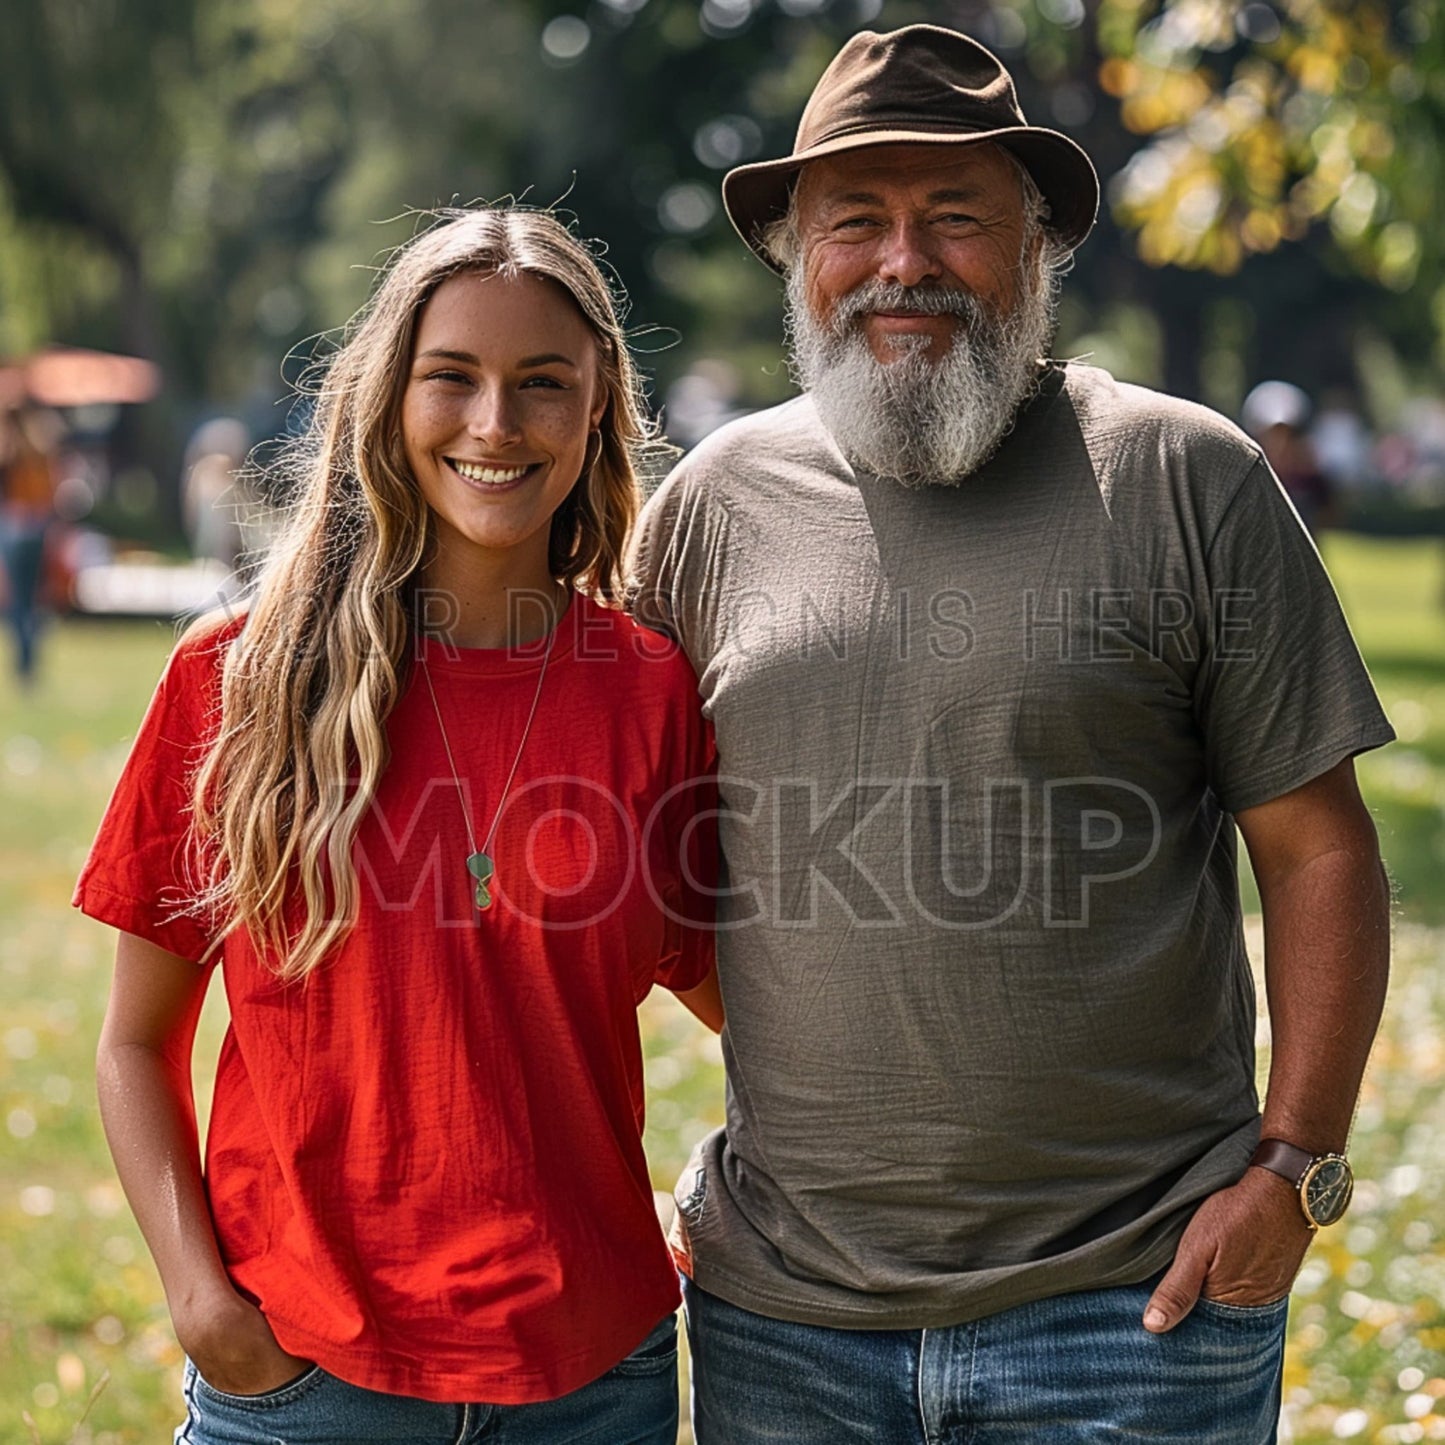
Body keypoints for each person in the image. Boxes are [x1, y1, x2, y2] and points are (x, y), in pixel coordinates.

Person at [629, 25, 1392, 1445]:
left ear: (1033, 246)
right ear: (797, 254)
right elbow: (639, 860)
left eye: (955, 218)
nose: (902, 262)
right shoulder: (710, 509)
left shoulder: (1185, 478)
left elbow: (1321, 852)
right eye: (856, 221)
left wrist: (1294, 1169)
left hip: (1134, 1309)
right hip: (787, 1320)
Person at [76, 207, 721, 1442]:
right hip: (306, 1378)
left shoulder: (650, 690)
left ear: (599, 411)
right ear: (386, 398)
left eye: (542, 383)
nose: (495, 423)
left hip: (595, 1381)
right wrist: (204, 1304)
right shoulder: (238, 678)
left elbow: (754, 999)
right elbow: (133, 1043)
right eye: (453, 378)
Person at [0, 404, 60, 685]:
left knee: (19, 602)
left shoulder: (11, 453)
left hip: (14, 529)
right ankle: (28, 664)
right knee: (31, 599)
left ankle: (24, 664)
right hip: (36, 527)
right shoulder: (39, 450)